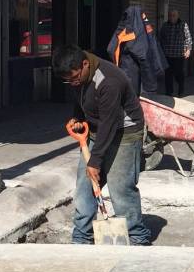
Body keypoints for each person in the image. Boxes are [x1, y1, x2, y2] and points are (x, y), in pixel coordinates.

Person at [53, 46, 151, 245]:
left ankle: (137, 236)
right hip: (98, 130)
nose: (72, 83)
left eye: (74, 78)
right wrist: (78, 117)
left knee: (120, 187)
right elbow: (82, 99)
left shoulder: (109, 80)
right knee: (84, 187)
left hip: (125, 132)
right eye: (68, 80)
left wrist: (95, 161)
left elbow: (110, 122)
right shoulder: (81, 76)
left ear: (85, 64)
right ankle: (82, 235)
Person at [158, 10, 192, 96]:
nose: (171, 17)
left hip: (179, 55)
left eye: (174, 15)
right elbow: (161, 38)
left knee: (178, 74)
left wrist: (188, 50)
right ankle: (169, 92)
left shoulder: (183, 25)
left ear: (177, 16)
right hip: (167, 55)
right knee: (168, 74)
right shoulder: (165, 25)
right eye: (170, 15)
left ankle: (181, 90)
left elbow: (188, 38)